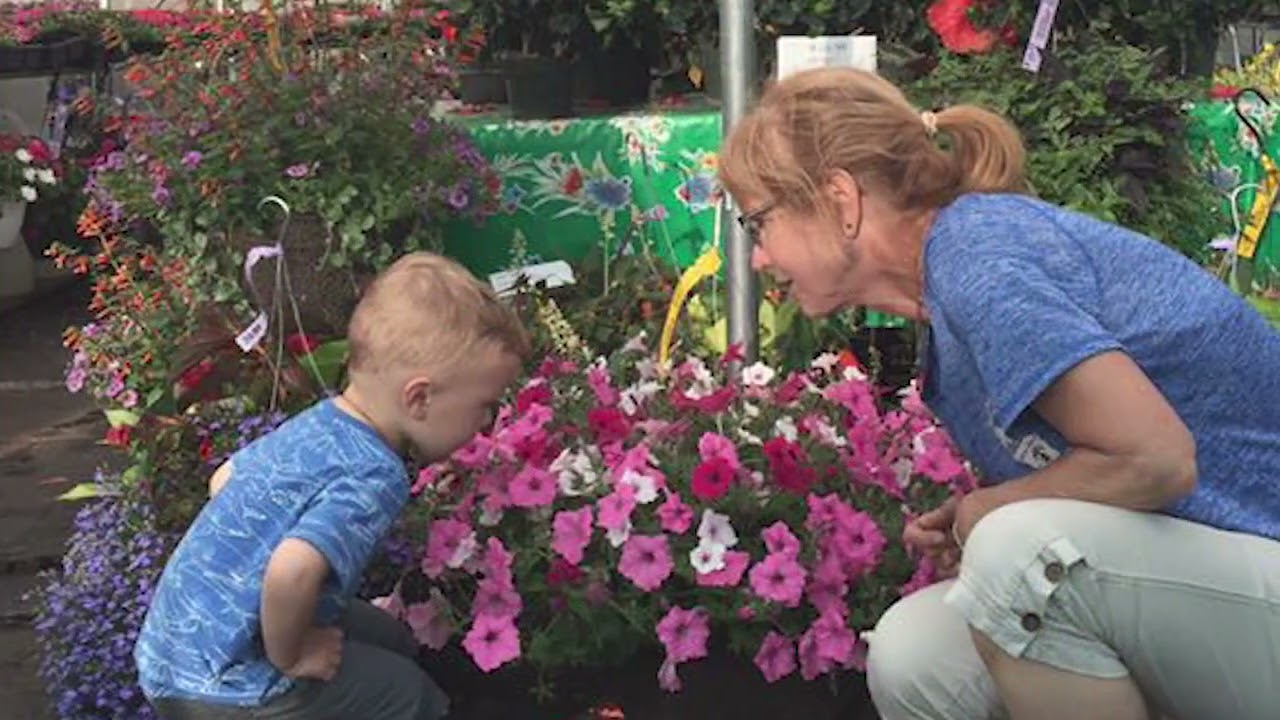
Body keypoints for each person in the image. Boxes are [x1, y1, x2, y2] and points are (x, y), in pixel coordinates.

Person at [717, 66, 1280, 720]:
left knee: (1022, 557)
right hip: (1238, 588)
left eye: (757, 222)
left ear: (841, 200)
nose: (757, 258)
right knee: (915, 652)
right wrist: (977, 513)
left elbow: (1154, 459)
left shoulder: (978, 257)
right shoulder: (950, 307)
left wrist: (989, 511)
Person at [134, 252, 530, 720]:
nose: (488, 422)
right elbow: (290, 573)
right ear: (419, 397)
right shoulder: (375, 474)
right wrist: (294, 653)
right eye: (484, 405)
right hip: (225, 683)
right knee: (405, 694)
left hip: (172, 646)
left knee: (388, 638)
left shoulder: (322, 422)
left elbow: (224, 481)